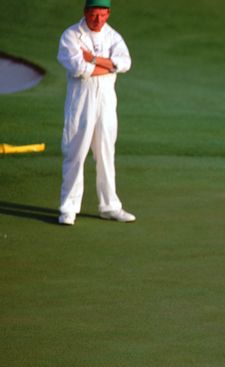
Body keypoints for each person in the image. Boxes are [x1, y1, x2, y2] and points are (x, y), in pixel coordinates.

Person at [57, 0, 135, 226]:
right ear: (85, 12)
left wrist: (91, 58)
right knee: (75, 152)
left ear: (108, 13)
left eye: (102, 15)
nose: (98, 20)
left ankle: (109, 206)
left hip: (107, 103)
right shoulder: (71, 36)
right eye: (94, 15)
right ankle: (68, 208)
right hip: (81, 103)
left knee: (106, 152)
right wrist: (110, 65)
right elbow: (78, 69)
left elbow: (126, 63)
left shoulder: (113, 36)